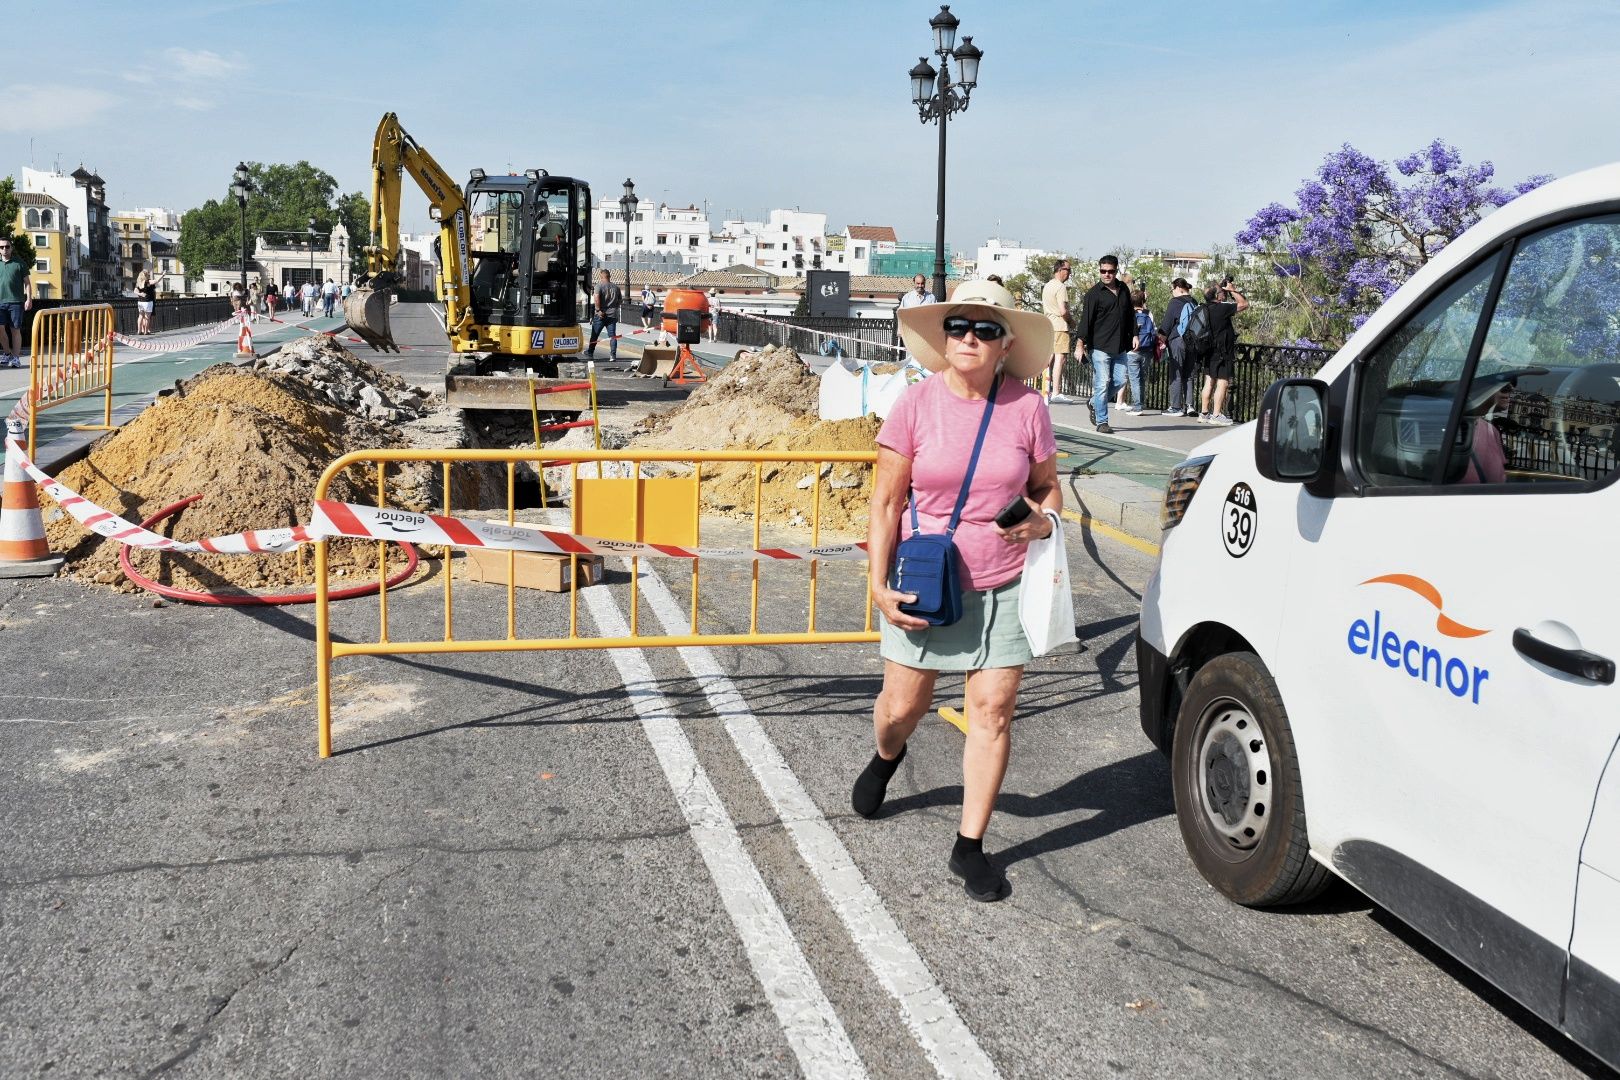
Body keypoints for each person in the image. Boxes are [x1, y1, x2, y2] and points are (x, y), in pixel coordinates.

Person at [860, 278, 1061, 903]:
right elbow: (887, 501)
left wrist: (1045, 520)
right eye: (958, 326)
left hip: (1004, 581)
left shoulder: (1027, 409)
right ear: (944, 337)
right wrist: (877, 583)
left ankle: (969, 845)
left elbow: (1047, 487)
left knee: (992, 711)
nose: (969, 337)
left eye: (986, 329)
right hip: (927, 581)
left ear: (1006, 346)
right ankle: (887, 757)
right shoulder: (915, 404)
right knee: (903, 709)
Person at [1073, 254, 1136, 434]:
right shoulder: (1093, 294)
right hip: (1100, 346)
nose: (1106, 274)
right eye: (1103, 271)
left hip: (1120, 346)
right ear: (1100, 271)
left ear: (1116, 271)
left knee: (1120, 380)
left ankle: (1094, 402)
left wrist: (1135, 334)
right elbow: (1085, 321)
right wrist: (1079, 345)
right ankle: (1102, 422)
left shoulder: (1123, 289)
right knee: (1102, 384)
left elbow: (1130, 314)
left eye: (1110, 271)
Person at [1199, 278, 1248, 425]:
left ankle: (1204, 413)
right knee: (1223, 382)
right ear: (1217, 295)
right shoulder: (1222, 308)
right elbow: (1244, 304)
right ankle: (1216, 415)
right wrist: (1233, 290)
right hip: (1223, 351)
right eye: (1221, 291)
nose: (1223, 293)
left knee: (1209, 381)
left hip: (1209, 350)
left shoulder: (1204, 308)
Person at [1159, 277, 1198, 417]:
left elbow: (1167, 323)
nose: (1172, 292)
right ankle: (1190, 406)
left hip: (1178, 340)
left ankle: (1175, 407)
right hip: (1193, 342)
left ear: (1178, 288)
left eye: (1172, 289)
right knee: (1189, 374)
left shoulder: (1175, 302)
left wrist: (1161, 340)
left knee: (1176, 373)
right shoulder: (1194, 302)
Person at [1119, 289, 1158, 415]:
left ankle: (1137, 407)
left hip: (1132, 351)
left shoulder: (1128, 314)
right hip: (1147, 350)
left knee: (1134, 379)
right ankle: (1141, 403)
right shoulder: (1148, 313)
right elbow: (1154, 330)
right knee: (1142, 378)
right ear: (1143, 301)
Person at [1040, 261, 1074, 404]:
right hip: (1060, 325)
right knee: (1060, 358)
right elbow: (1063, 311)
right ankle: (1056, 392)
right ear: (1060, 270)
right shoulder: (1061, 287)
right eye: (1068, 270)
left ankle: (1045, 390)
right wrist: (1071, 322)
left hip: (1048, 325)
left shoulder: (1048, 285)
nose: (1070, 273)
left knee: (1049, 358)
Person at [0, 238, 30, 367]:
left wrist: (29, 299)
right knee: (0, 330)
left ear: (11, 248)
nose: (4, 249)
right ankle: (7, 354)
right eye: (1, 247)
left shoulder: (20, 263)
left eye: (7, 246)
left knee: (15, 330)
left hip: (16, 302)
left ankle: (16, 358)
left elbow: (27, 283)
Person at [586, 269, 622, 361]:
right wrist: (615, 307)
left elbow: (596, 298)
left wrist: (598, 310)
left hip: (601, 315)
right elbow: (620, 300)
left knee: (595, 334)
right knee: (612, 336)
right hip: (612, 315)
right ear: (609, 276)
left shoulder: (599, 286)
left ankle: (590, 352)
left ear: (601, 277)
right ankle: (613, 355)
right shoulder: (616, 287)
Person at [135, 267, 158, 335]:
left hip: (140, 301)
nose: (149, 275)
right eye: (148, 274)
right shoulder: (148, 282)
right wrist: (162, 275)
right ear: (146, 275)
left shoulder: (139, 282)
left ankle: (139, 331)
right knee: (147, 317)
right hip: (148, 301)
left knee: (140, 316)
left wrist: (140, 294)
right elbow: (156, 282)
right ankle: (146, 331)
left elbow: (135, 291)